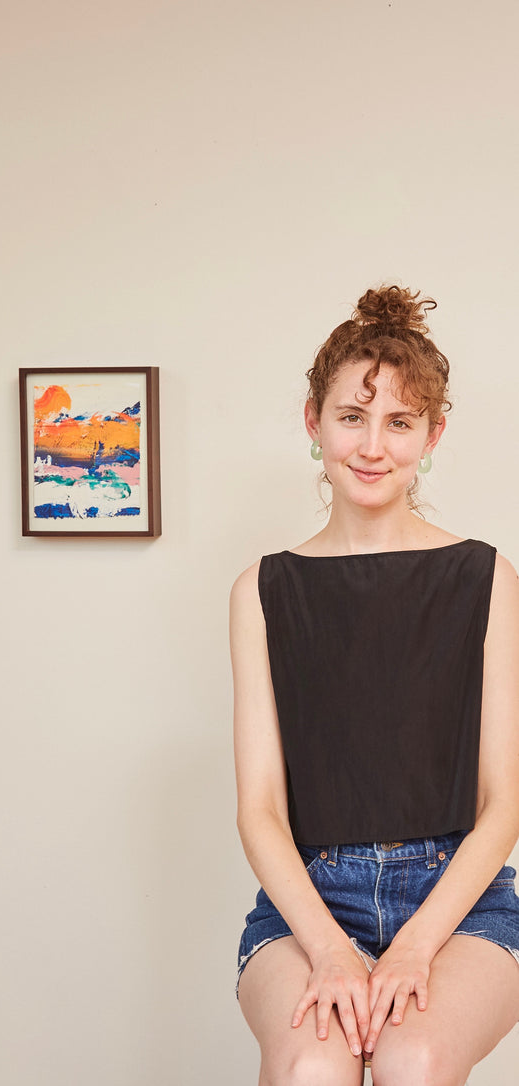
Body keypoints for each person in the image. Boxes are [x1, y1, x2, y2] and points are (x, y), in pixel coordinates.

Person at [229, 284, 519, 1086]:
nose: (371, 445)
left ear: (432, 434)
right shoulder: (261, 590)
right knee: (310, 1069)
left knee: (412, 1059)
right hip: (309, 901)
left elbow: (502, 804)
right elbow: (259, 808)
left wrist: (416, 946)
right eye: (351, 417)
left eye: (398, 422)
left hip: (458, 900)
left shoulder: (486, 578)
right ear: (313, 421)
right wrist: (328, 948)